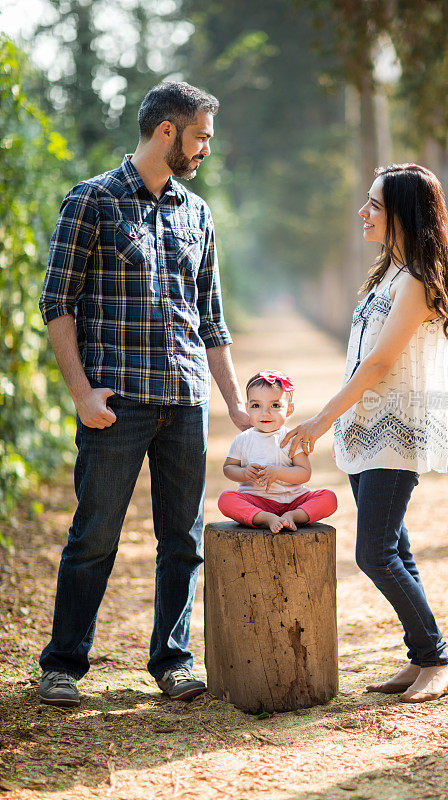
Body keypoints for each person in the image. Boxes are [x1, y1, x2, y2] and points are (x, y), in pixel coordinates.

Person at [38, 81, 249, 707]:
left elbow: (210, 319)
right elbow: (57, 304)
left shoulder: (197, 213)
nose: (207, 148)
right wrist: (81, 393)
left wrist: (235, 402)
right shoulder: (91, 202)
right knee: (95, 534)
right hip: (116, 403)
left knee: (180, 541)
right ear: (167, 132)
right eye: (201, 137)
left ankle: (173, 661)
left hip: (185, 401)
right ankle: (63, 665)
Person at [283, 164, 448, 703]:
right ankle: (422, 658)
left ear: (404, 214)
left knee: (375, 553)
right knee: (396, 549)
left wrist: (321, 419)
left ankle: (436, 660)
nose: (363, 213)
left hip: (396, 431)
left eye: (375, 205)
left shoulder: (416, 281)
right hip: (368, 432)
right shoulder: (389, 274)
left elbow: (381, 362)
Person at [219, 370, 338, 533]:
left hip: (294, 500)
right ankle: (265, 518)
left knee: (328, 498)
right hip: (256, 500)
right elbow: (228, 469)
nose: (265, 412)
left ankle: (294, 516)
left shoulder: (292, 438)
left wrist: (279, 473)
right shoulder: (243, 440)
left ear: (289, 409)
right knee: (226, 499)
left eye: (275, 405)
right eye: (256, 406)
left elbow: (305, 473)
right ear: (247, 408)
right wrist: (244, 473)